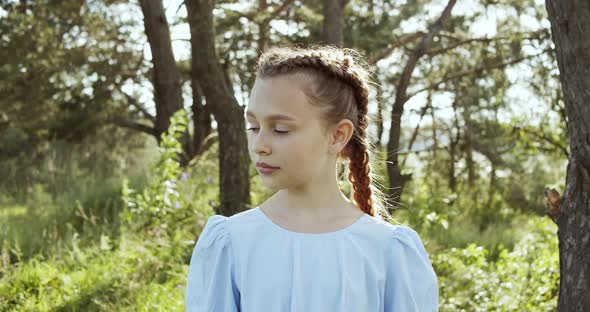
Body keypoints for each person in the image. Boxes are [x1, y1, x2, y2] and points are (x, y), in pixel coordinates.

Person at [185, 45, 439, 311]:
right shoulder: (232, 242)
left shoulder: (388, 251)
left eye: (281, 129)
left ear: (338, 135)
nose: (259, 144)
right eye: (253, 126)